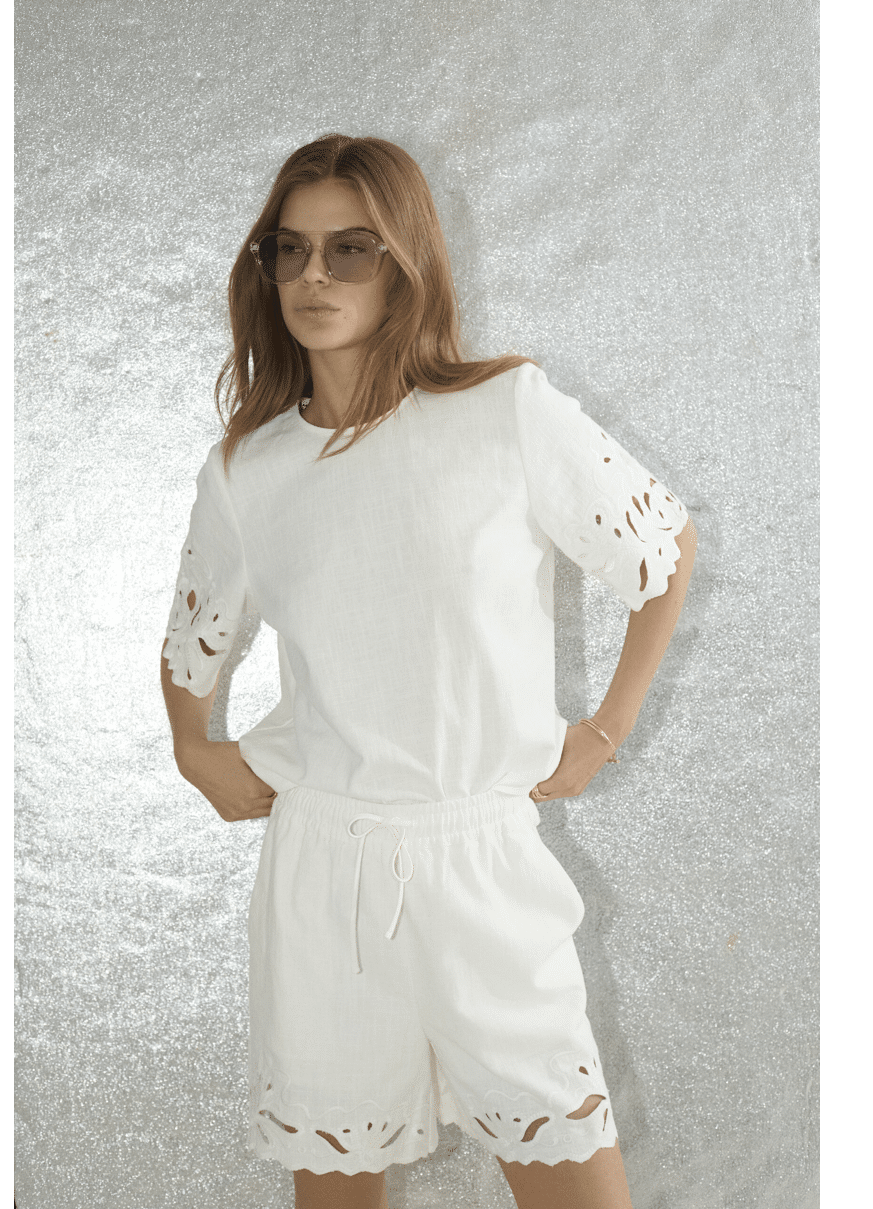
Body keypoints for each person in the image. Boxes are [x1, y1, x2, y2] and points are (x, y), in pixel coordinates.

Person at [160, 133, 696, 1209]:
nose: (314, 277)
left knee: (574, 1181)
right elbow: (190, 637)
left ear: (405, 259)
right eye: (289, 249)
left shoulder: (503, 411)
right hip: (323, 871)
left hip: (482, 862)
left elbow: (663, 548)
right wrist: (190, 745)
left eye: (350, 248)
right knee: (336, 1186)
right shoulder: (249, 469)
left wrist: (605, 729)